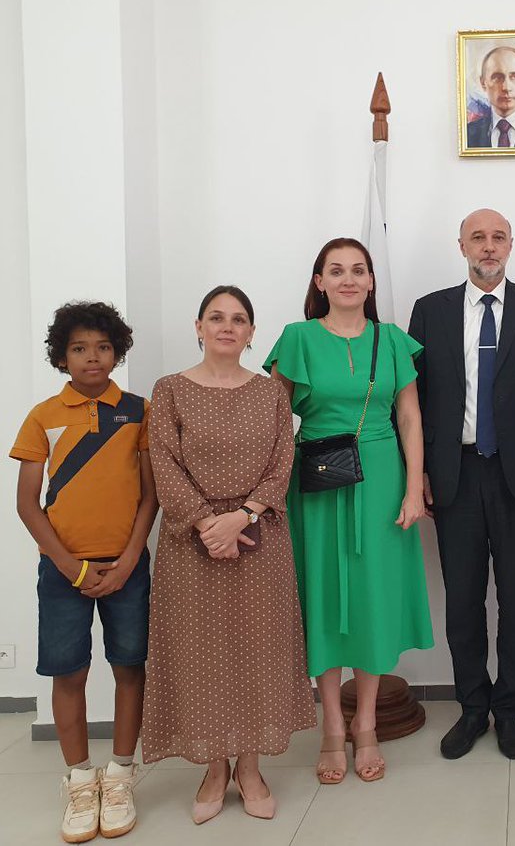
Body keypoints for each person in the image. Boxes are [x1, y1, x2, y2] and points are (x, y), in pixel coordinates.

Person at [142, 286, 315, 824]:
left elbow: (282, 462)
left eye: (238, 319)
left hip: (259, 538)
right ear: (198, 327)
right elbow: (163, 463)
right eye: (216, 317)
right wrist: (204, 523)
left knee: (258, 651)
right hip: (188, 545)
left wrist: (242, 516)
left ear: (251, 333)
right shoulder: (170, 390)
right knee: (201, 655)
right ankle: (214, 767)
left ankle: (251, 767)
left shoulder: (271, 394)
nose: (227, 326)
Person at [408, 208, 515, 760]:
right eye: (477, 237)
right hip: (454, 473)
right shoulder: (429, 311)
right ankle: (472, 707)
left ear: (511, 245)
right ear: (461, 245)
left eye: (498, 237)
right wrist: (420, 473)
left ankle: (510, 710)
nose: (488, 246)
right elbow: (416, 401)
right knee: (462, 600)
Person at [266, 238, 432, 785]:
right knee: (323, 597)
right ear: (319, 281)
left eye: (358, 270)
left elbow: (410, 418)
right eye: (335, 271)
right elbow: (270, 420)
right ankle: (331, 726)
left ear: (370, 282)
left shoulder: (392, 341)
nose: (347, 279)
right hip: (314, 480)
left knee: (370, 600)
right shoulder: (297, 338)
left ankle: (366, 724)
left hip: (382, 479)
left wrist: (412, 489)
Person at [10, 301, 157, 842]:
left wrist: (128, 560)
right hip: (62, 572)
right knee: (68, 672)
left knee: (128, 666)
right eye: (78, 349)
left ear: (116, 351)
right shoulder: (43, 415)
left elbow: (150, 496)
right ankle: (78, 779)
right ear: (61, 356)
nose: (91, 357)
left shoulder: (139, 411)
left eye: (101, 347)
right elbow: (28, 504)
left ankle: (120, 773)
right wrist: (70, 566)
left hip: (127, 568)